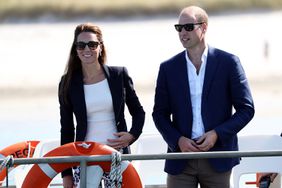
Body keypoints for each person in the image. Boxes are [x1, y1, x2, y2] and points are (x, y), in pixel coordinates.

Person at [152, 6, 255, 188]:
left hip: (218, 157)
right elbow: (159, 114)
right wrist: (178, 140)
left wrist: (217, 134)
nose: (183, 32)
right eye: (179, 28)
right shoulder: (168, 68)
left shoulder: (229, 62)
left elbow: (246, 109)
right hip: (180, 159)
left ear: (204, 27)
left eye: (189, 27)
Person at [58, 23, 145, 187]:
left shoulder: (119, 75)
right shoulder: (67, 83)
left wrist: (132, 135)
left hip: (117, 156)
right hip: (84, 157)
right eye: (81, 45)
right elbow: (67, 129)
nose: (87, 49)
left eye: (92, 44)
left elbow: (138, 112)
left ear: (100, 47)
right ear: (75, 50)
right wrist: (66, 174)